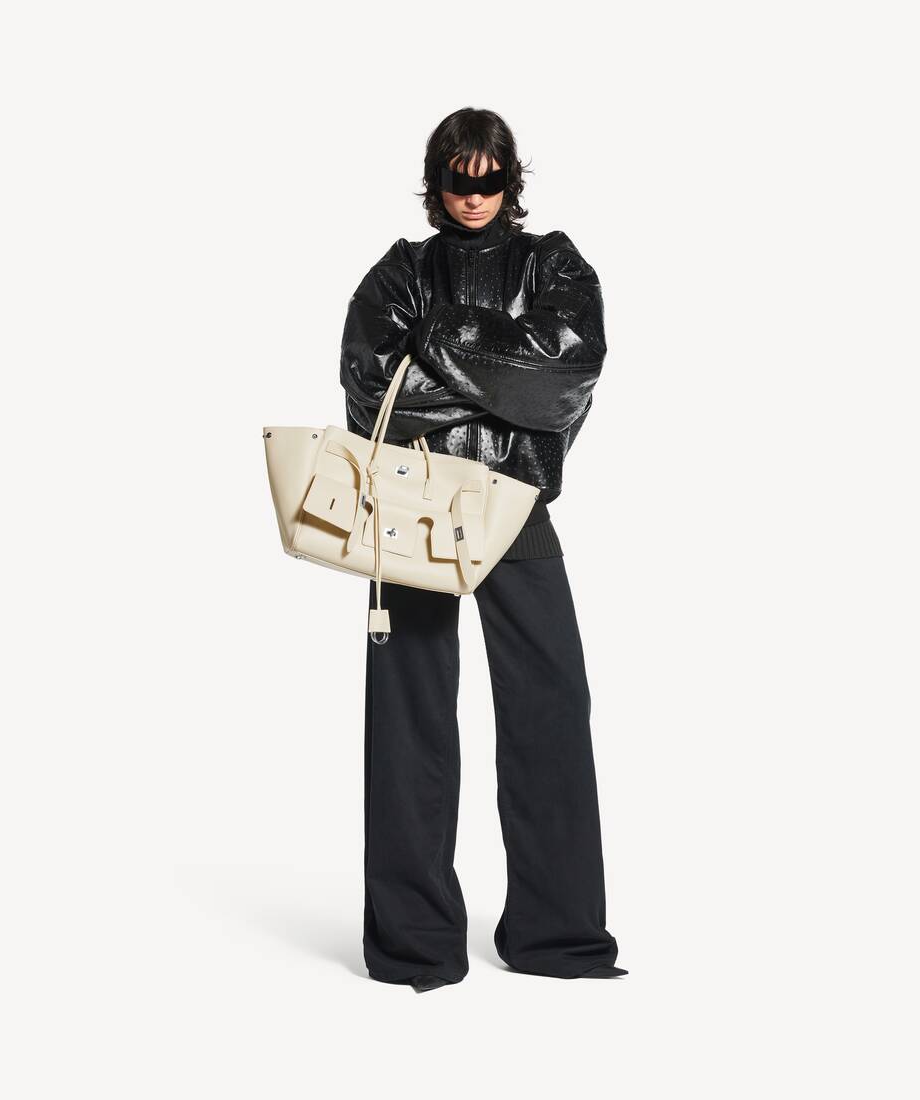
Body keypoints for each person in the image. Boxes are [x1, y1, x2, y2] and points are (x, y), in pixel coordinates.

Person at [339, 107, 625, 992]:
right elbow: (370, 392)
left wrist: (438, 339)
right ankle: (415, 943)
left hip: (515, 508)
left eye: (490, 179)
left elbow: (565, 373)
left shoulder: (553, 265)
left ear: (511, 180)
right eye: (458, 181)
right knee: (408, 723)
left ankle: (556, 935)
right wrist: (502, 377)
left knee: (551, 713)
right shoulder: (401, 270)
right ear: (436, 184)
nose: (474, 197)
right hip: (412, 508)